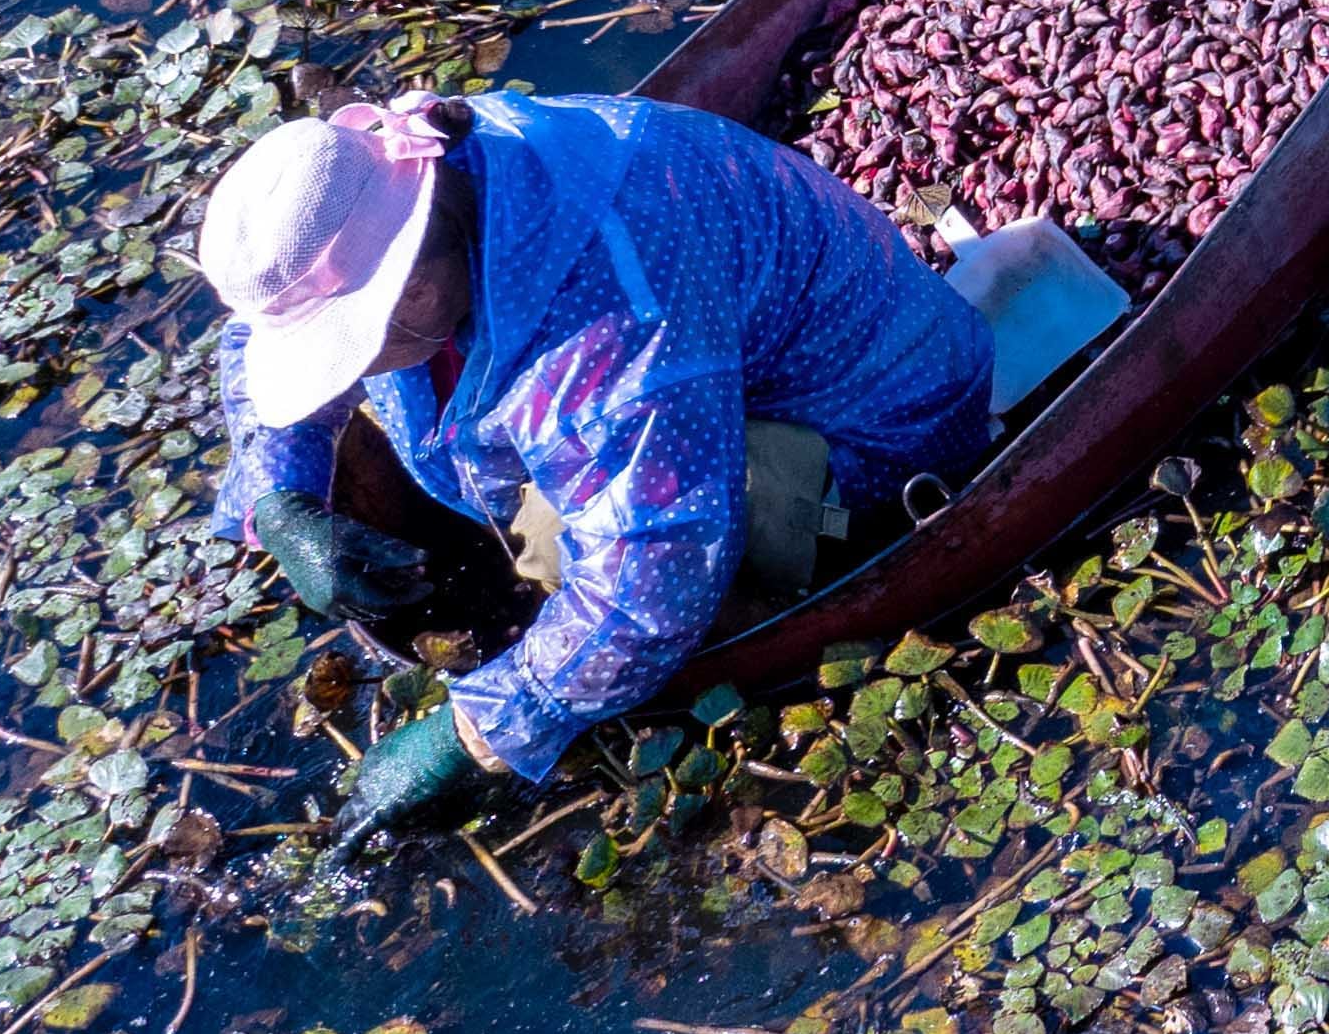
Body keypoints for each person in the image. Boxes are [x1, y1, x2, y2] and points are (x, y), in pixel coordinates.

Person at [201, 91, 993, 849]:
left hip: (875, 429)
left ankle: (777, 606)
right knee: (536, 503)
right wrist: (284, 496)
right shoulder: (404, 169)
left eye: (354, 338)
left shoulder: (612, 317)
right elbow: (255, 338)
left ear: (416, 282)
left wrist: (477, 733)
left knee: (557, 543)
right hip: (699, 367)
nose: (351, 364)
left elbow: (654, 573)